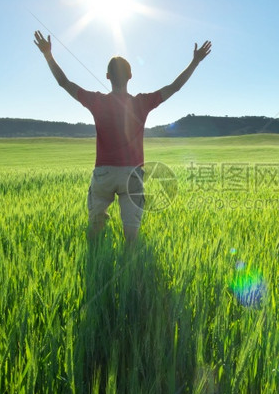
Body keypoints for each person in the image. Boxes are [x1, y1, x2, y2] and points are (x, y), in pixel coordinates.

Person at [34, 31, 211, 242]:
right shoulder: (141, 103)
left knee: (95, 233)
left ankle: (96, 265)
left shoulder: (96, 101)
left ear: (107, 77)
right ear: (130, 76)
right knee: (132, 240)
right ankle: (131, 271)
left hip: (103, 174)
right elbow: (174, 87)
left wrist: (48, 55)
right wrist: (195, 62)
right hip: (132, 175)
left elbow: (64, 83)